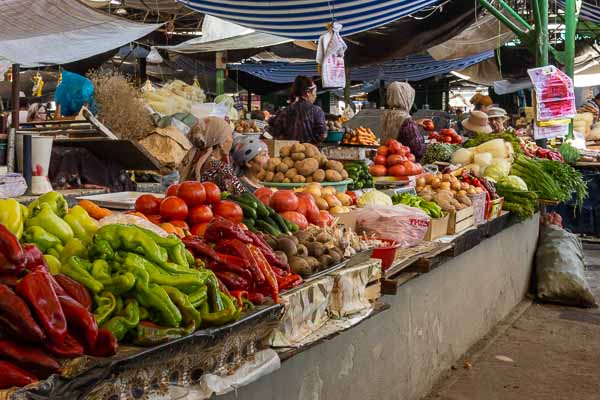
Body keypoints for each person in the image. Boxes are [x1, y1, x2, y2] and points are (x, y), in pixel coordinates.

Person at [179, 116, 246, 195]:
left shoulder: (193, 161)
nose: (232, 140)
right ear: (221, 143)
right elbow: (242, 196)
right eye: (230, 136)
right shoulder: (221, 168)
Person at [268, 76, 327, 144]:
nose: (315, 96)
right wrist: (309, 144)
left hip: (289, 152)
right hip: (311, 152)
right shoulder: (317, 111)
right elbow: (323, 135)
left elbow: (275, 132)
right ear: (308, 93)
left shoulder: (284, 111)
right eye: (315, 92)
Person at [381, 81, 425, 160]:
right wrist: (431, 145)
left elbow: (397, 129)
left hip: (387, 160)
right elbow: (418, 150)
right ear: (406, 97)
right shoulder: (406, 120)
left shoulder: (386, 114)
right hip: (403, 163)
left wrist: (414, 123)